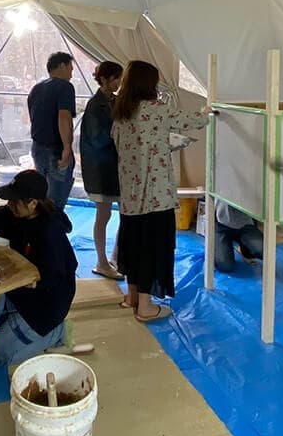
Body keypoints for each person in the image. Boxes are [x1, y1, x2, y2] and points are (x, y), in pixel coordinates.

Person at [111, 61, 210, 322]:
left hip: (130, 195)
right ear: (149, 84)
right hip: (155, 196)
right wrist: (207, 110)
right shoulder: (157, 109)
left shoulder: (121, 112)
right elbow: (193, 120)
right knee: (151, 248)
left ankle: (132, 297)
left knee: (132, 244)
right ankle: (145, 307)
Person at [0, 170, 78, 366]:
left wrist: (30, 282)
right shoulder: (17, 215)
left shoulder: (50, 233)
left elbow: (57, 276)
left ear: (32, 203)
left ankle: (56, 333)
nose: (9, 204)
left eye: (14, 201)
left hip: (47, 305)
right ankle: (17, 329)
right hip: (21, 292)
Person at [79, 60, 124, 280]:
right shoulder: (95, 105)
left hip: (114, 166)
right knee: (103, 214)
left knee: (125, 213)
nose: (118, 83)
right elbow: (99, 138)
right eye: (115, 78)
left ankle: (116, 257)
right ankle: (102, 261)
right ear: (104, 79)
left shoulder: (114, 101)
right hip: (100, 168)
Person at [27, 52, 77, 210]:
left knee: (41, 198)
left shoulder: (36, 88)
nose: (71, 74)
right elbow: (64, 117)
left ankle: (40, 225)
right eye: (70, 68)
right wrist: (67, 148)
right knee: (56, 202)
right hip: (55, 150)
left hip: (38, 148)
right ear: (62, 65)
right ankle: (53, 225)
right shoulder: (65, 87)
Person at [213, 199, 264, 273]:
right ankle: (221, 245)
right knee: (225, 266)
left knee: (263, 251)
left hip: (245, 224)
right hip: (221, 223)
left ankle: (245, 249)